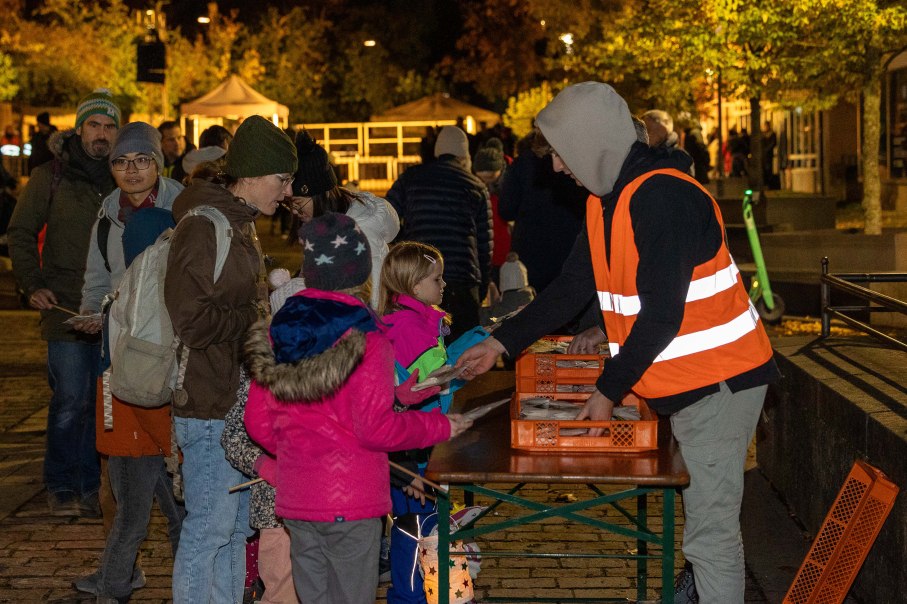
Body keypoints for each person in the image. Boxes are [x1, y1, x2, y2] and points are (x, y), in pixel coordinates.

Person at [455, 82, 779, 604]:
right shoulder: (606, 201)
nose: (557, 167)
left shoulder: (663, 197)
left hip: (720, 383)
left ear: (593, 143)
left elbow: (663, 315)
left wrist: (607, 390)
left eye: (562, 153)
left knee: (711, 534)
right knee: (703, 525)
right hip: (687, 381)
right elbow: (571, 288)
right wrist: (500, 344)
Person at [243, 212, 472, 604]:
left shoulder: (280, 332)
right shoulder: (368, 337)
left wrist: (397, 396)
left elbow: (258, 420)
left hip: (298, 499)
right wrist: (440, 427)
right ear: (363, 271)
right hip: (351, 497)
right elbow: (375, 429)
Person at [164, 114, 297, 604]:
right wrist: (256, 319)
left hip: (237, 404)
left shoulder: (241, 225)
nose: (287, 192)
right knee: (209, 530)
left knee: (236, 531)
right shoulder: (204, 226)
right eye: (282, 179)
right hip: (208, 402)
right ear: (253, 174)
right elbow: (191, 321)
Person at [7, 88, 120, 517]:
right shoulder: (50, 176)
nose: (101, 134)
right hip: (65, 306)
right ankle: (61, 483)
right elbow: (20, 231)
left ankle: (91, 485)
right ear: (78, 129)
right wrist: (31, 283)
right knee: (71, 397)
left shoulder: (123, 176)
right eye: (94, 125)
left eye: (109, 127)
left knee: (102, 399)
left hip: (112, 308)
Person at [378, 241, 461, 604]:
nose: (443, 285)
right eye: (436, 279)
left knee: (422, 521)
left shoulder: (418, 320)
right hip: (412, 446)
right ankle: (410, 596)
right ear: (414, 286)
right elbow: (427, 383)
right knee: (415, 527)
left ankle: (426, 591)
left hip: (418, 440)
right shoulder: (409, 327)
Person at [386, 125, 492, 341]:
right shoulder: (476, 186)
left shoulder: (411, 178)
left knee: (420, 347)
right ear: (465, 155)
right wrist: (480, 288)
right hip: (462, 279)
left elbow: (387, 218)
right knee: (463, 349)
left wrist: (403, 249)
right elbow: (485, 244)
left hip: (419, 277)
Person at [288, 129, 399, 308]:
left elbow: (372, 301)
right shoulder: (331, 228)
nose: (294, 211)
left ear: (320, 194)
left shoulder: (357, 234)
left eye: (297, 203)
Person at [498, 132, 587, 295]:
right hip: (570, 245)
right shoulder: (573, 161)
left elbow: (506, 209)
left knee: (535, 301)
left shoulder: (521, 164)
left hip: (530, 248)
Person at [473, 137, 511, 295]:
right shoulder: (474, 187)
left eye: (490, 178)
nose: (487, 183)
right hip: (485, 249)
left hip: (505, 247)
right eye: (483, 179)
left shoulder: (509, 186)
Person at [761, 121, 778, 189]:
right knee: (764, 169)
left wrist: (767, 150)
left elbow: (773, 143)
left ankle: (769, 184)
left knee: (769, 169)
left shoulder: (772, 134)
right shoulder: (763, 134)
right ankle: (765, 183)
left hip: (768, 155)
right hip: (763, 155)